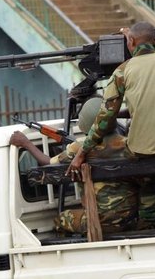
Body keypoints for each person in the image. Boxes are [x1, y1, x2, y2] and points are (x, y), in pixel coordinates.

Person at [68, 21, 155, 229]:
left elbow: (106, 117)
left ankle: (147, 228)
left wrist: (82, 151)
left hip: (140, 149)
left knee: (147, 184)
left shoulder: (122, 71)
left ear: (132, 42)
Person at [10, 97, 138, 234]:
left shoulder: (81, 148)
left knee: (61, 219)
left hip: (100, 221)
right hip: (131, 218)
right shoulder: (129, 144)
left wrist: (26, 143)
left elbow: (47, 162)